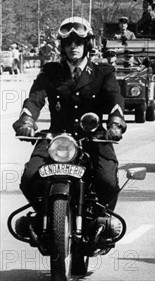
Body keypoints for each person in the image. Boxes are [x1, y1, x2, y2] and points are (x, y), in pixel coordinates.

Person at [13, 17, 126, 214]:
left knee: (107, 181)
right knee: (29, 179)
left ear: (87, 44)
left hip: (94, 138)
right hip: (56, 138)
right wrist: (27, 121)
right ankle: (44, 218)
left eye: (79, 42)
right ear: (62, 46)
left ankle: (103, 220)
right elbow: (35, 99)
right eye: (68, 43)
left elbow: (114, 99)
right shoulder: (51, 71)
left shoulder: (103, 72)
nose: (73, 46)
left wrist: (115, 125)